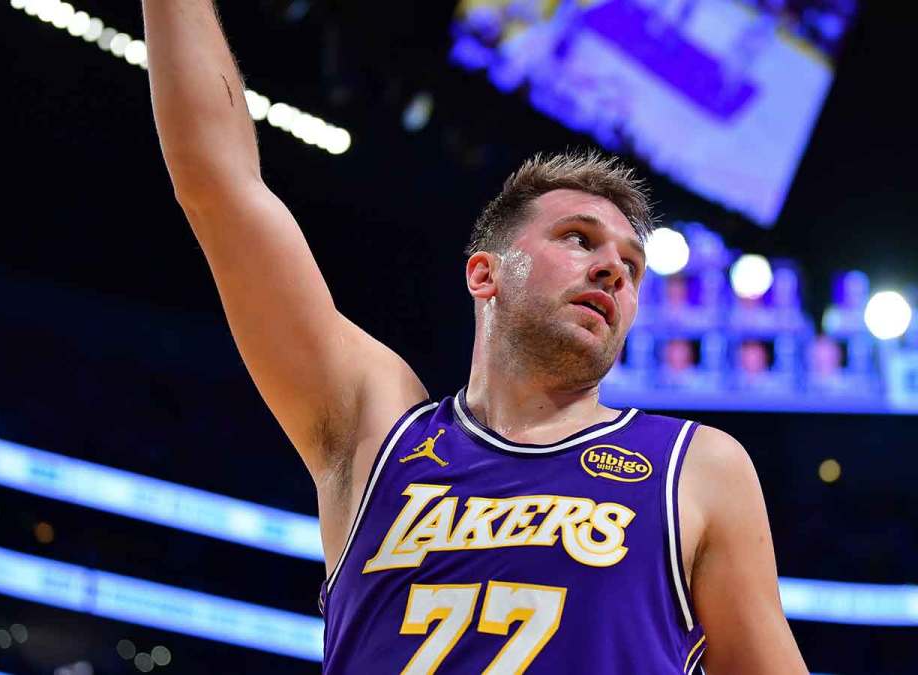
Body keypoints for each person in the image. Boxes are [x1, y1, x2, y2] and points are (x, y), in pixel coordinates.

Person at [142, 2, 807, 672]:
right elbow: (220, 187)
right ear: (486, 273)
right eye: (578, 238)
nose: (612, 267)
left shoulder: (696, 467)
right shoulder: (378, 429)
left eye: (631, 266)